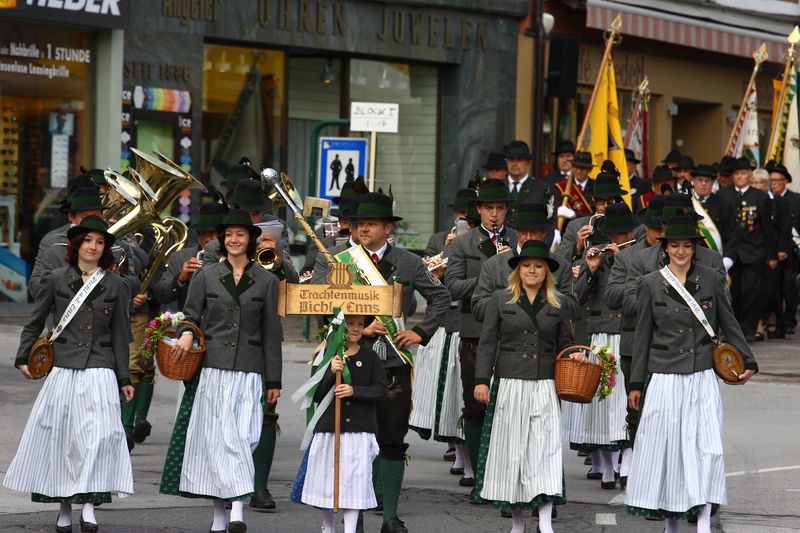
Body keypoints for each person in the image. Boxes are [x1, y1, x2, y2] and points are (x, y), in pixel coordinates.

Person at [314, 192, 451, 533]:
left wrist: (420, 332)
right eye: (360, 224)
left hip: (392, 361)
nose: (364, 229)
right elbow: (318, 304)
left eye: (372, 224)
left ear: (388, 228)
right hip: (350, 359)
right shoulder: (338, 260)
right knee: (353, 441)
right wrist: (357, 327)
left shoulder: (409, 262)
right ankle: (355, 516)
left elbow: (440, 297)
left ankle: (390, 515)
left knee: (392, 438)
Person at [626, 216, 758, 533]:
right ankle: (670, 523)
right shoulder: (651, 283)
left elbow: (729, 322)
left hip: (701, 375)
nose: (681, 251)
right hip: (664, 376)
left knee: (708, 448)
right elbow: (642, 336)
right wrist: (636, 383)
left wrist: (748, 361)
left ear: (695, 248)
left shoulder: (711, 279)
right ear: (665, 248)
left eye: (687, 245)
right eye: (675, 245)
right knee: (668, 450)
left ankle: (702, 520)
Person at [5, 216, 134, 533]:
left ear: (105, 249)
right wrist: (22, 357)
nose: (93, 246)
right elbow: (36, 321)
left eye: (100, 242)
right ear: (77, 244)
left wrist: (124, 378)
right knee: (62, 439)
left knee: (99, 437)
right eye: (88, 240)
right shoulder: (56, 279)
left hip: (100, 369)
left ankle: (88, 507)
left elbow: (121, 335)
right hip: (63, 368)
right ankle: (64, 508)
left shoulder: (117, 285)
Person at [162, 209, 283, 533]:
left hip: (249, 371)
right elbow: (191, 315)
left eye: (240, 234)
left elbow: (272, 334)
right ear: (221, 239)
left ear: (250, 240)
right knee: (216, 442)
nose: (234, 240)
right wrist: (186, 334)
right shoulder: (206, 275)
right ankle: (222, 517)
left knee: (242, 439)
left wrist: (274, 380)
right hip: (212, 370)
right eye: (229, 234)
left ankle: (239, 506)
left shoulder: (268, 281)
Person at [473, 240, 586, 533]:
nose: (532, 270)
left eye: (538, 266)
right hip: (509, 383)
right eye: (526, 266)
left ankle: (545, 522)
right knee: (512, 452)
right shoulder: (500, 299)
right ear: (518, 270)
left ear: (546, 271)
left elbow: (565, 342)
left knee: (544, 450)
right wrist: (482, 381)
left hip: (545, 384)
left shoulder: (557, 302)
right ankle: (517, 523)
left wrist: (574, 353)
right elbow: (487, 344)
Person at [444, 179, 517, 498]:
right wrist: (491, 272)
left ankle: (505, 477)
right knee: (475, 405)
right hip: (475, 332)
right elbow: (452, 287)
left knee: (509, 409)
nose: (495, 214)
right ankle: (478, 476)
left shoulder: (518, 240)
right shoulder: (463, 243)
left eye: (500, 208)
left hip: (513, 333)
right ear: (479, 210)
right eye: (489, 208)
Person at [292, 314, 388, 533]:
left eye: (360, 324)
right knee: (328, 481)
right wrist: (330, 372)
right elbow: (315, 394)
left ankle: (350, 529)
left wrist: (355, 391)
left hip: (359, 431)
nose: (355, 328)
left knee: (355, 482)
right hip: (329, 431)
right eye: (350, 324)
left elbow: (381, 390)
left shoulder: (370, 357)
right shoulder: (326, 356)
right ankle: (328, 526)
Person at [410, 188, 476, 482]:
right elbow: (429, 287)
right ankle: (459, 453)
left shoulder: (485, 245)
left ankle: (469, 458)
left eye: (467, 219)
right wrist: (439, 264)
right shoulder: (439, 240)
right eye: (460, 217)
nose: (463, 222)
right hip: (446, 325)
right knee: (450, 395)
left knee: (466, 394)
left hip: (470, 324)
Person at [570, 202, 637, 489]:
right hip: (600, 336)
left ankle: (626, 464)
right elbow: (576, 298)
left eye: (624, 234)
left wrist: (624, 260)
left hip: (627, 334)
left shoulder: (638, 256)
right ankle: (608, 469)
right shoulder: (594, 254)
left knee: (625, 400)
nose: (620, 239)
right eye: (615, 235)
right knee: (603, 400)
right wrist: (590, 269)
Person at [603, 195, 666, 487]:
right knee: (636, 408)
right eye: (655, 228)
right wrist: (646, 287)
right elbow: (613, 297)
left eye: (664, 228)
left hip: (669, 344)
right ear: (646, 228)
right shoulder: (629, 257)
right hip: (634, 342)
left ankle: (656, 468)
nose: (660, 234)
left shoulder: (681, 254)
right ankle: (633, 463)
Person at [718, 157, 777, 341]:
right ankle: (733, 330)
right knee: (732, 292)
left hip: (753, 251)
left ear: (750, 175)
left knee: (751, 291)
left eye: (743, 173)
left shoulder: (760, 196)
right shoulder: (723, 195)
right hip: (729, 252)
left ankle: (748, 328)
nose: (739, 176)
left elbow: (767, 228)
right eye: (736, 173)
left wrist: (771, 254)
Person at [28, 185, 106, 299]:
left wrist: (115, 276)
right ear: (71, 217)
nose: (91, 222)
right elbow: (35, 288)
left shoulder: (113, 239)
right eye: (84, 217)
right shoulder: (52, 241)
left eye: (96, 216)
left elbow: (131, 283)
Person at [556, 165, 627, 262]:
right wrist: (577, 246)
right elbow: (559, 261)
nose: (605, 206)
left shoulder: (631, 229)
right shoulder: (575, 226)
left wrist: (620, 253)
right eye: (601, 201)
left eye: (610, 202)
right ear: (594, 200)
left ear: (619, 200)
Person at [767, 162, 800, 336]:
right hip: (773, 250)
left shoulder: (796, 199)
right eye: (771, 180)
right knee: (774, 288)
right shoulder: (767, 200)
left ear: (785, 181)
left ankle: (789, 318)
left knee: (789, 286)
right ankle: (776, 320)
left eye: (777, 180)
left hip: (792, 250)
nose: (774, 184)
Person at [692, 164, 739, 273]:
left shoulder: (723, 204)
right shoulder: (687, 203)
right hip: (689, 259)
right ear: (693, 181)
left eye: (707, 181)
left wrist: (727, 260)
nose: (703, 184)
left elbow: (732, 234)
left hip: (715, 261)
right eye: (700, 180)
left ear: (713, 183)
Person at [555, 150, 594, 221]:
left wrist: (574, 215)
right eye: (576, 167)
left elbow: (597, 214)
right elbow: (554, 211)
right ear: (572, 167)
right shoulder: (562, 187)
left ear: (590, 169)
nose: (578, 171)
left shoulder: (596, 186)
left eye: (582, 168)